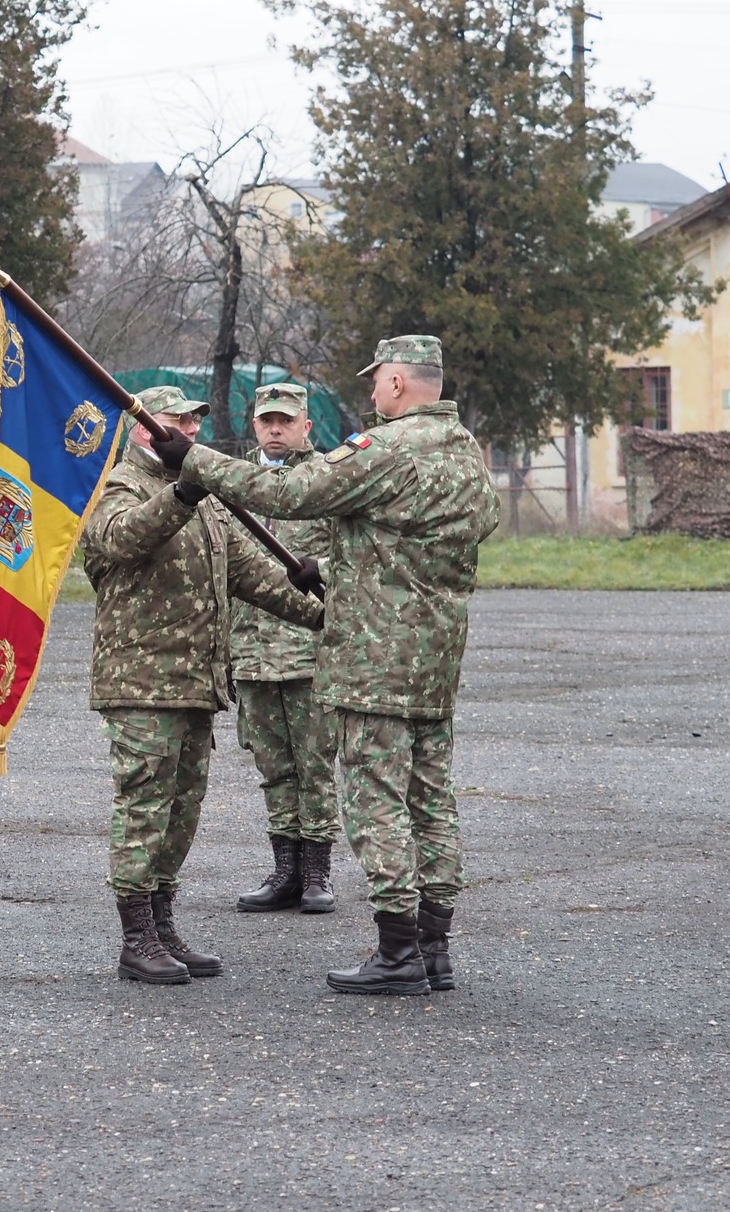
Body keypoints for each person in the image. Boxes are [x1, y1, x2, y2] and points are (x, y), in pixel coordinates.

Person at [172, 335, 500, 996]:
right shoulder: (464, 452)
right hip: (434, 656)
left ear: (400, 383)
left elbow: (290, 491)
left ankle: (396, 949)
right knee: (431, 800)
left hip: (376, 658)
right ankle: (434, 947)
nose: (371, 392)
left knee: (376, 801)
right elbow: (454, 529)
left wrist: (197, 461)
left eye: (377, 380)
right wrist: (341, 565)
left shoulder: (386, 447)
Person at [80, 386, 325, 985]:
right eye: (175, 421)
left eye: (193, 420)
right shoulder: (122, 486)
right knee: (143, 809)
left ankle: (163, 925)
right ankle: (135, 936)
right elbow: (120, 540)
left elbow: (255, 575)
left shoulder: (210, 500)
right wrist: (182, 493)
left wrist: (326, 606)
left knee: (181, 813)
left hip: (196, 682)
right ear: (143, 431)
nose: (189, 429)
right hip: (141, 682)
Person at [229, 384, 341, 915]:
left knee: (314, 762)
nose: (275, 429)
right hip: (250, 648)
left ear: (305, 426)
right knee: (273, 765)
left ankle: (318, 872)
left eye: (285, 420)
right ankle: (286, 870)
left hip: (308, 649)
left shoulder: (327, 479)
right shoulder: (235, 482)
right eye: (266, 420)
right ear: (254, 425)